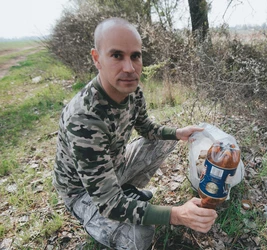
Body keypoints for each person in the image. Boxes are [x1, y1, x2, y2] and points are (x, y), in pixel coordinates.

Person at [52, 17, 217, 250]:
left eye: (135, 56)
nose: (129, 68)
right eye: (117, 55)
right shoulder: (85, 118)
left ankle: (126, 191)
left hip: (114, 165)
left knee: (161, 141)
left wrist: (178, 132)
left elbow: (146, 128)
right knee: (139, 237)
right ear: (97, 59)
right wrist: (176, 214)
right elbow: (109, 204)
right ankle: (113, 203)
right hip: (82, 190)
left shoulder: (133, 91)